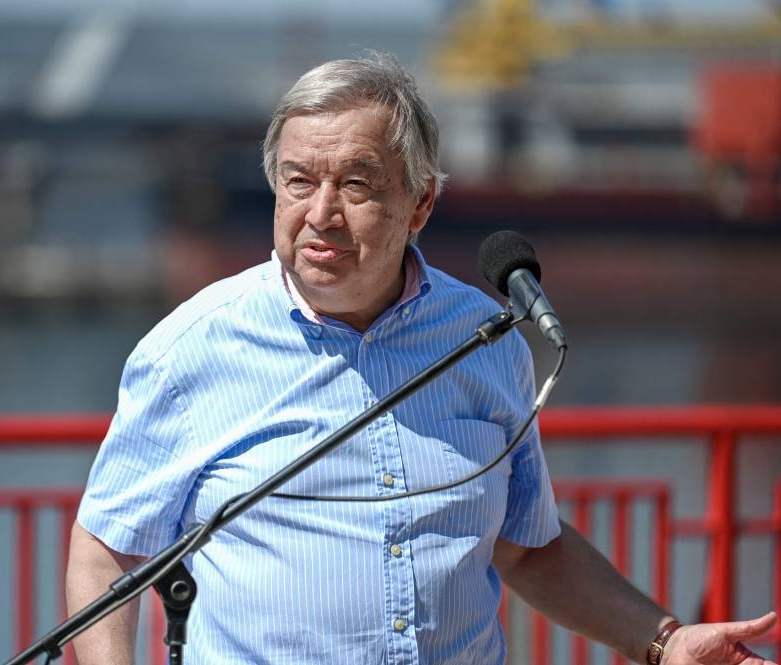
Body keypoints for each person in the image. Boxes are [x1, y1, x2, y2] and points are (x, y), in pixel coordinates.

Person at [66, 53, 777, 665]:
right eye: (298, 181)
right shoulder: (191, 349)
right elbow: (106, 550)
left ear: (422, 202)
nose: (321, 212)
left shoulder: (485, 338)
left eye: (356, 184)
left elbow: (528, 547)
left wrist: (663, 641)